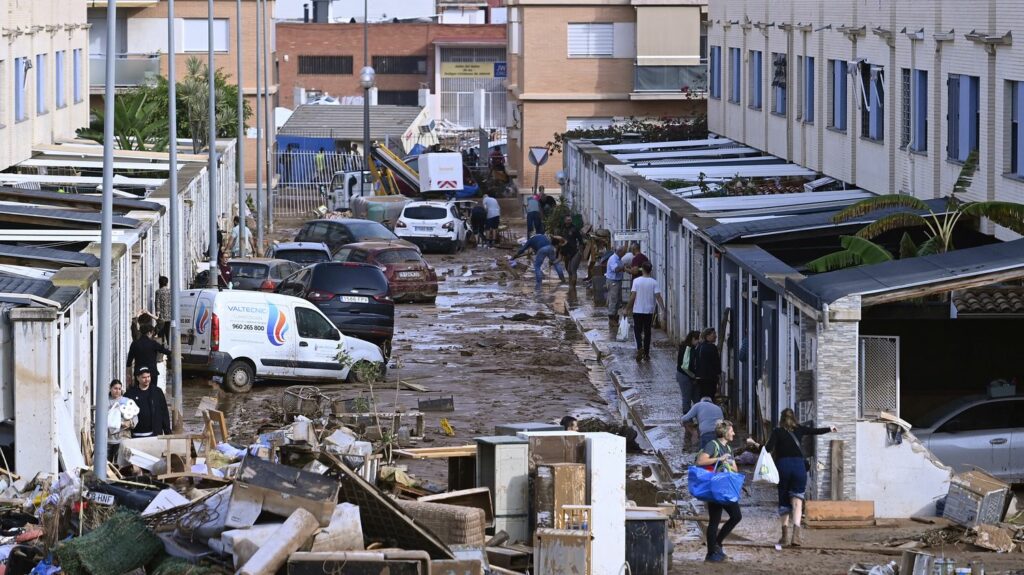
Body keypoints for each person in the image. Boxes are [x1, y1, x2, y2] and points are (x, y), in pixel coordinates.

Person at [752, 409, 838, 547]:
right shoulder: (800, 429)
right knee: (797, 501)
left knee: (784, 501)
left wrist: (755, 444)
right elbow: (814, 431)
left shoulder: (777, 431)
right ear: (794, 418)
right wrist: (830, 428)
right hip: (799, 467)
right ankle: (796, 537)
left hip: (783, 467)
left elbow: (767, 449)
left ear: (781, 418)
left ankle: (784, 537)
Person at [695, 420, 743, 562]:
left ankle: (718, 543)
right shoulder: (713, 445)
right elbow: (700, 461)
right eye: (732, 431)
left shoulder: (729, 449)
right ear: (725, 432)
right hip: (714, 487)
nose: (734, 433)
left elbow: (735, 469)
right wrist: (719, 459)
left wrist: (728, 463)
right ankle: (711, 553)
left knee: (736, 516)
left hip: (726, 487)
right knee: (714, 520)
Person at [625, 262, 665, 361]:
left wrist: (627, 309)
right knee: (647, 332)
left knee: (637, 331)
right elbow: (658, 297)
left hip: (637, 310)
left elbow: (633, 296)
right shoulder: (654, 282)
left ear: (642, 269)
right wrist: (663, 310)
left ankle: (639, 347)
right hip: (649, 311)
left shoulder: (636, 281)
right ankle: (646, 354)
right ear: (650, 270)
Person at [125, 367, 172, 438]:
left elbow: (164, 412)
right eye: (144, 377)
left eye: (148, 377)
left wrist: (167, 432)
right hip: (135, 435)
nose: (147, 379)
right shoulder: (130, 393)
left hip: (154, 435)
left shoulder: (157, 392)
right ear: (138, 378)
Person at [127, 324, 172, 390]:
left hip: (139, 373)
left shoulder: (134, 344)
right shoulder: (153, 343)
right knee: (152, 393)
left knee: (140, 393)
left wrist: (129, 376)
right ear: (149, 332)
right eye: (152, 333)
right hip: (151, 373)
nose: (153, 335)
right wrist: (176, 354)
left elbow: (129, 362)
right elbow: (165, 351)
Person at [107, 380, 138, 464]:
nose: (117, 391)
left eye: (119, 389)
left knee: (120, 464)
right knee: (106, 465)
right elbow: (104, 419)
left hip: (123, 438)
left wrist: (130, 423)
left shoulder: (127, 401)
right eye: (115, 388)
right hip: (107, 439)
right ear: (110, 388)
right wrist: (120, 423)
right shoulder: (105, 401)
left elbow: (135, 416)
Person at [676, 330, 702, 414]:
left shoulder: (690, 347)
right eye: (698, 341)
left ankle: (696, 417)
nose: (699, 343)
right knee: (687, 397)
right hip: (685, 375)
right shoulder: (687, 348)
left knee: (696, 397)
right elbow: (686, 366)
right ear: (693, 339)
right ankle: (687, 419)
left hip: (688, 375)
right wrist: (694, 376)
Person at [604, 245, 627, 331]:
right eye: (623, 252)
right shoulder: (613, 259)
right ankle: (611, 319)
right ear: (619, 252)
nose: (624, 253)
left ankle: (615, 317)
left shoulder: (619, 259)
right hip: (613, 281)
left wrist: (624, 267)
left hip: (617, 281)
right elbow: (616, 269)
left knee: (618, 300)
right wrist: (623, 267)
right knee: (613, 300)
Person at [694, 328, 721, 399]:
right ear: (707, 336)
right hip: (710, 378)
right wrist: (718, 376)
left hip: (700, 377)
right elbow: (716, 364)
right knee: (710, 397)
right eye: (714, 334)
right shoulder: (712, 348)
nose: (715, 336)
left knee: (702, 397)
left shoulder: (699, 347)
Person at [559, 215, 584, 287]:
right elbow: (560, 239)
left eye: (570, 220)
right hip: (566, 252)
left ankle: (573, 288)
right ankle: (571, 285)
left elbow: (580, 240)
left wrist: (581, 251)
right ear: (565, 221)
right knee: (568, 269)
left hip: (574, 252)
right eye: (568, 220)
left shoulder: (574, 229)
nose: (569, 221)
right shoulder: (562, 228)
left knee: (573, 269)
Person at [154, 276, 171, 344]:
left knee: (161, 333)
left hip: (161, 317)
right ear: (167, 283)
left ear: (160, 283)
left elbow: (157, 303)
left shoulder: (158, 291)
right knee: (168, 333)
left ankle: (161, 346)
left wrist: (157, 313)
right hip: (170, 316)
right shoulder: (170, 291)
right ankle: (169, 348)